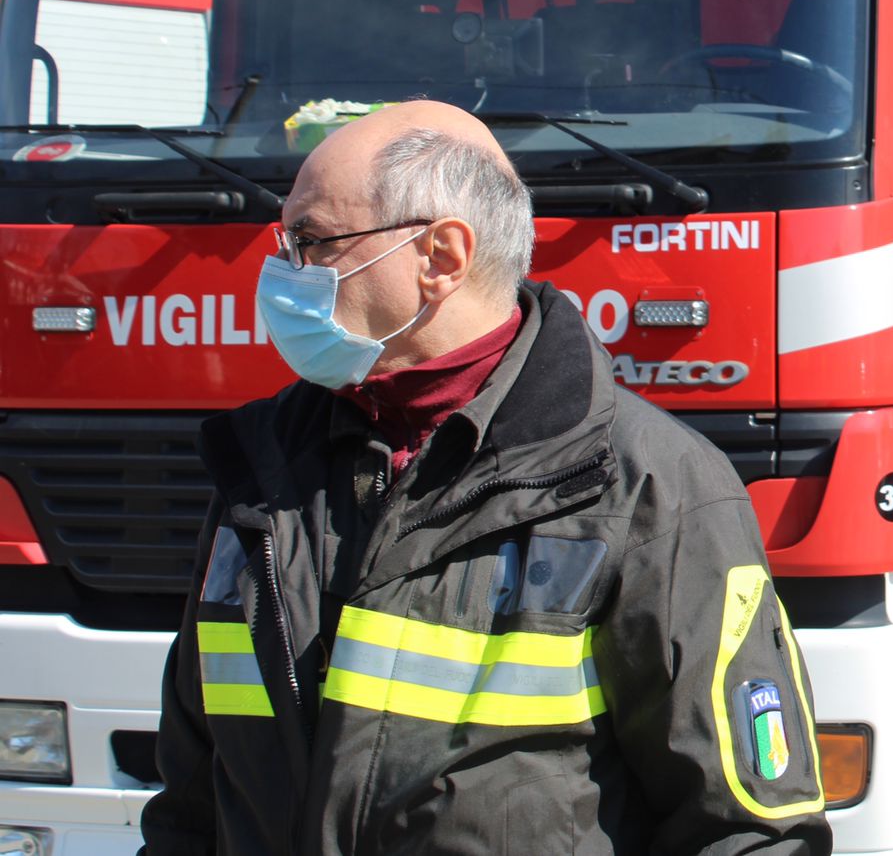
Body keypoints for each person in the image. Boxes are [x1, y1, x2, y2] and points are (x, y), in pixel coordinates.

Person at [141, 101, 831, 856]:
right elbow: (188, 812)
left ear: (440, 256)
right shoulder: (259, 471)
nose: (282, 274)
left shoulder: (650, 487)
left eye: (312, 242)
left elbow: (747, 836)